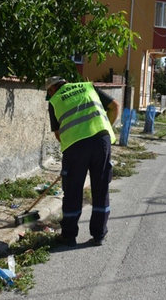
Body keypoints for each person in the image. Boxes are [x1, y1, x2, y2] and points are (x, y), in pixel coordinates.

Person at [45, 76, 120, 246]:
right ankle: (99, 234)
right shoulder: (88, 86)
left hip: (75, 146)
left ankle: (69, 235)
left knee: (73, 190)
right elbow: (115, 107)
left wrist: (74, 147)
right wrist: (105, 129)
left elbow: (58, 134)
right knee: (101, 188)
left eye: (48, 93)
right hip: (102, 140)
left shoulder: (55, 100)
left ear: (52, 89)